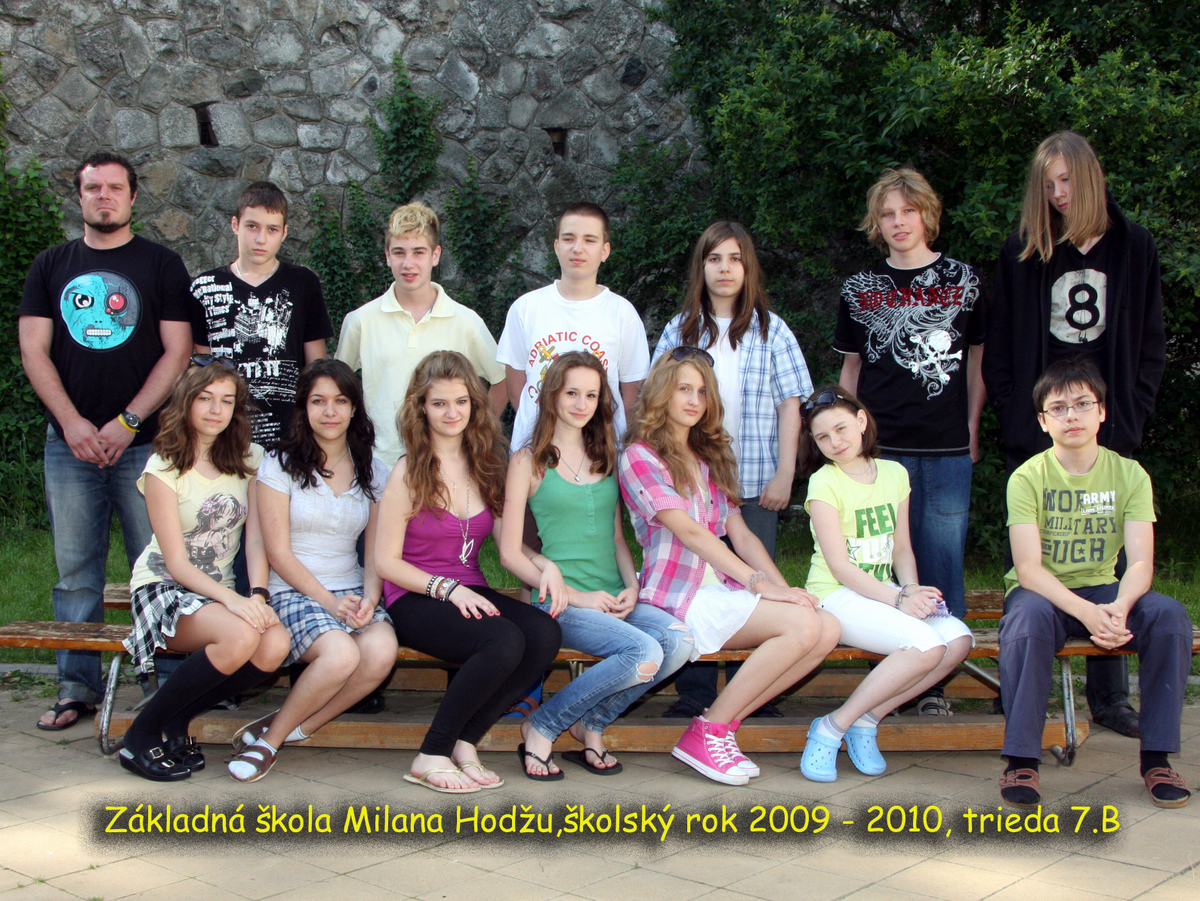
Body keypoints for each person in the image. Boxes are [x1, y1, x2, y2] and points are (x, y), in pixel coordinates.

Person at [985, 131, 1166, 737]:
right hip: (1038, 431)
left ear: (1089, 176)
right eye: (1047, 184)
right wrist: (1018, 418)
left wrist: (1130, 415)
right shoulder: (1025, 250)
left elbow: (1150, 344)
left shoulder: (1134, 246)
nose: (1058, 194)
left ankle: (1109, 698)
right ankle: (1022, 684)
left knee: (1105, 557)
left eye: (1066, 180)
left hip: (1106, 429)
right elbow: (1001, 347)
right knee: (1032, 561)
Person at [19, 151, 195, 731]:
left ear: (132, 197)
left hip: (145, 445)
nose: (103, 196)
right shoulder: (51, 265)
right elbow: (33, 350)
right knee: (76, 573)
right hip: (68, 446)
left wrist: (130, 420)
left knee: (158, 566)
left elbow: (178, 351)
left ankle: (166, 687)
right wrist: (71, 423)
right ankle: (77, 689)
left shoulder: (161, 264)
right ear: (80, 196)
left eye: (114, 188)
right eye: (93, 187)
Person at [619, 350, 841, 786]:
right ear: (662, 392)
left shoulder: (706, 458)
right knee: (801, 628)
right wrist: (759, 585)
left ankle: (722, 727)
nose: (694, 400)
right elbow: (691, 533)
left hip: (717, 590)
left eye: (702, 392)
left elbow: (742, 535)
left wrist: (787, 591)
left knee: (825, 625)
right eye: (684, 389)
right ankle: (708, 731)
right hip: (677, 598)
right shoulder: (640, 456)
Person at [998, 359, 1192, 809]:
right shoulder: (1027, 477)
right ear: (1043, 421)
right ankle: (1021, 760)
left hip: (1105, 590)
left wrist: (1119, 607)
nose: (1072, 416)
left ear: (1101, 412)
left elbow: (1140, 561)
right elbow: (1028, 569)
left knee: (1169, 617)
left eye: (1083, 404)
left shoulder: (1129, 474)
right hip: (1042, 594)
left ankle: (1157, 759)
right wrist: (1087, 614)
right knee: (1026, 624)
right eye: (1059, 408)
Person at [499, 352, 693, 779]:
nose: (581, 404)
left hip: (613, 595)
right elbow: (509, 552)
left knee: (678, 640)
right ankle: (543, 725)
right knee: (642, 651)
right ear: (552, 395)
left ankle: (592, 722)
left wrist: (633, 587)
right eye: (572, 393)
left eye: (591, 395)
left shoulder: (607, 457)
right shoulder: (527, 461)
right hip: (559, 603)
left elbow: (617, 538)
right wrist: (575, 596)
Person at [375, 351, 561, 793]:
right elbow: (386, 562)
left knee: (543, 633)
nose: (451, 413)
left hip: (470, 590)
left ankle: (465, 742)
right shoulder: (407, 471)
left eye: (461, 402)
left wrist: (544, 565)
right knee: (502, 639)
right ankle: (431, 753)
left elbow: (507, 543)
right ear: (421, 407)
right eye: (439, 403)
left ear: (475, 405)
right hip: (414, 596)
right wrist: (447, 589)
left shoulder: (484, 465)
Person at [837, 169, 985, 720]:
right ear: (875, 223)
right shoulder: (859, 288)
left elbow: (977, 361)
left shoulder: (964, 281)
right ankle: (889, 670)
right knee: (879, 562)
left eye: (908, 210)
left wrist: (971, 428)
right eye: (887, 214)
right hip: (881, 451)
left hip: (946, 451)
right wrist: (849, 445)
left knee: (940, 562)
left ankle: (934, 683)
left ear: (928, 214)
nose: (898, 222)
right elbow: (851, 370)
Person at [652, 221, 813, 719]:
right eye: (714, 258)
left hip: (756, 481)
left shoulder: (771, 329)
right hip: (691, 485)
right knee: (697, 581)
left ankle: (754, 689)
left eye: (735, 259)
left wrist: (785, 472)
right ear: (701, 267)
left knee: (752, 581)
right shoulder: (680, 330)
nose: (725, 269)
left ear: (749, 268)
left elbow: (791, 404)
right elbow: (659, 398)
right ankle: (696, 691)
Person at [118, 360, 289, 781]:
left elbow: (255, 540)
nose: (216, 410)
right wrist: (234, 602)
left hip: (218, 592)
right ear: (186, 402)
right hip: (164, 588)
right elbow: (176, 563)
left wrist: (258, 595)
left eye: (227, 401)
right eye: (205, 398)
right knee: (240, 635)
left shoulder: (250, 459)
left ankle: (177, 721)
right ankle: (140, 736)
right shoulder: (163, 467)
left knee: (275, 644)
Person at [228, 359, 397, 781]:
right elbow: (277, 552)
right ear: (304, 408)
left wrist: (370, 598)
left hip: (349, 589)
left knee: (381, 652)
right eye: (318, 401)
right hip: (293, 588)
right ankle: (270, 744)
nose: (330, 411)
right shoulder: (279, 463)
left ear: (354, 408)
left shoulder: (374, 470)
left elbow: (375, 552)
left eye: (340, 401)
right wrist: (329, 602)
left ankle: (294, 726)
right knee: (341, 654)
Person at [798, 387, 973, 782]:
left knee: (957, 639)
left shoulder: (895, 474)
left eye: (841, 428)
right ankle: (831, 727)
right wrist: (898, 598)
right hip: (836, 595)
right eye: (822, 437)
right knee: (926, 645)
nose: (834, 442)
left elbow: (902, 549)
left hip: (882, 592)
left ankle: (867, 719)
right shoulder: (824, 483)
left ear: (861, 421)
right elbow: (839, 567)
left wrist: (912, 592)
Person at [336, 202, 507, 466]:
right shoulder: (360, 321)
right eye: (399, 252)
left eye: (418, 252)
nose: (408, 264)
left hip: (447, 466)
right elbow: (337, 389)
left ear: (435, 255)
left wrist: (473, 433)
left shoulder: (466, 322)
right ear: (387, 256)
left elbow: (502, 381)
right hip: (380, 465)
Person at [190, 181, 333, 450]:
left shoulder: (303, 283)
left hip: (288, 435)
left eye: (272, 229)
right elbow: (202, 369)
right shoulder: (205, 287)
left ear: (284, 232)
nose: (261, 239)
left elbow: (317, 367)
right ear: (235, 225)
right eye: (252, 226)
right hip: (224, 433)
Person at [497, 202, 650, 452]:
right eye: (569, 239)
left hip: (601, 453)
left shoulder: (622, 314)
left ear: (605, 250)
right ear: (556, 246)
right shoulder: (525, 308)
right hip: (535, 451)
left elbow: (633, 394)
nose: (577, 248)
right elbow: (516, 386)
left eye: (589, 240)